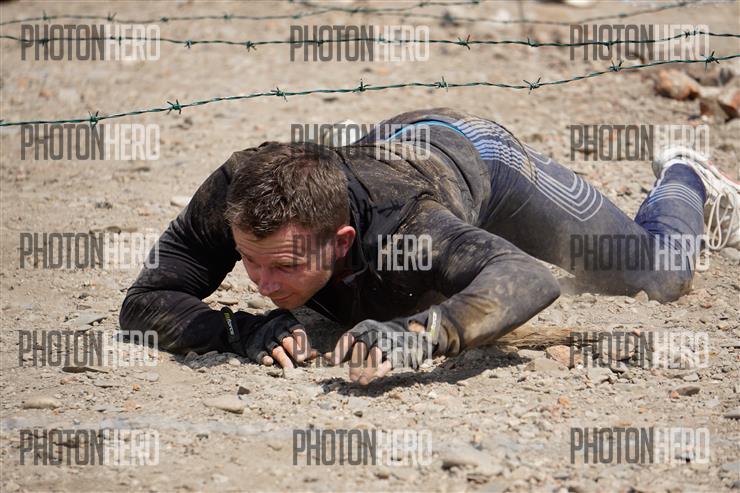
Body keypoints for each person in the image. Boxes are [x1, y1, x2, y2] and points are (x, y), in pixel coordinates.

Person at [119, 108, 739, 385]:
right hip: (386, 149)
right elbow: (145, 301)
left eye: (282, 266)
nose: (260, 282)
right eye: (247, 260)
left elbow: (528, 277)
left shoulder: (408, 228)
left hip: (479, 159)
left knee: (657, 275)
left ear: (342, 241)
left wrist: (421, 333)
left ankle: (687, 176)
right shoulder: (237, 193)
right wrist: (239, 329)